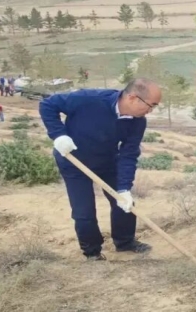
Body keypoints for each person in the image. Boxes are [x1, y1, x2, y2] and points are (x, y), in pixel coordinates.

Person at [38, 78, 162, 261]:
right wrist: (58, 135)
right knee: (84, 212)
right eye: (150, 105)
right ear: (133, 98)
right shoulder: (89, 99)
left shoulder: (137, 122)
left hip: (107, 162)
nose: (150, 111)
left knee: (124, 204)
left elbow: (129, 154)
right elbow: (48, 104)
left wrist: (124, 188)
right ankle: (92, 252)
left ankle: (125, 242)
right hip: (73, 162)